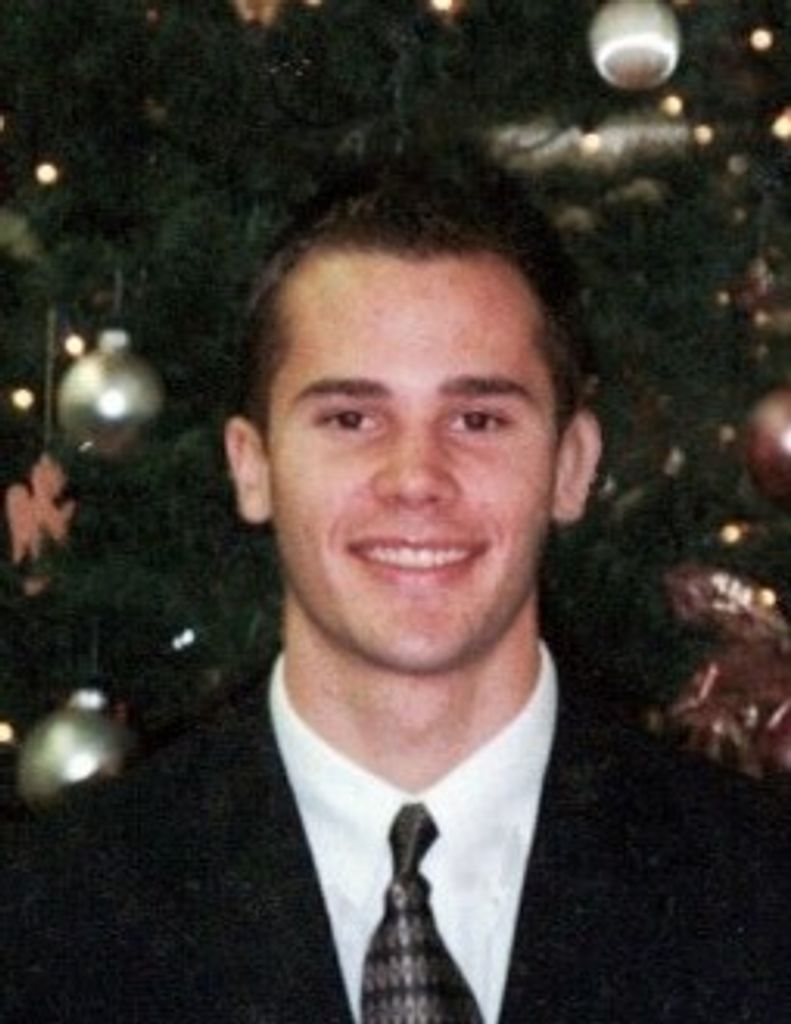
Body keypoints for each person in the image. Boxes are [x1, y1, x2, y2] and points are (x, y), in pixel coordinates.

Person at [1, 152, 788, 1024]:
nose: (416, 478)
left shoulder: (761, 894)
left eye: (477, 419)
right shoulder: (45, 922)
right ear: (252, 467)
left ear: (570, 467)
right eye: (351, 418)